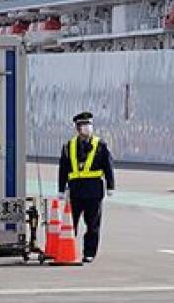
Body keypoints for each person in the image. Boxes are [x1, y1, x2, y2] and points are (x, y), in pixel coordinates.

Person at [57, 111, 115, 263]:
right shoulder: (69, 146)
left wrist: (110, 185)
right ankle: (68, 249)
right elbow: (63, 168)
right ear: (77, 128)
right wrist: (61, 189)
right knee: (71, 224)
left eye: (89, 124)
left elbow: (108, 166)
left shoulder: (100, 145)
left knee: (93, 224)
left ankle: (89, 252)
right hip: (75, 191)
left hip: (94, 191)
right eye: (83, 125)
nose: (87, 128)